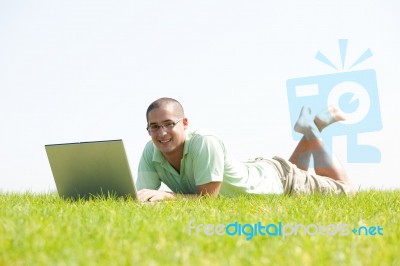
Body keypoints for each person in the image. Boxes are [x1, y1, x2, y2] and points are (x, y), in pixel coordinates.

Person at [136, 97, 355, 202]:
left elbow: (207, 201)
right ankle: (310, 130)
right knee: (293, 169)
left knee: (347, 191)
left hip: (280, 182)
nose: (162, 133)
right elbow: (141, 197)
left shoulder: (204, 142)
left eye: (168, 124)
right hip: (263, 172)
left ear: (184, 123)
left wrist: (166, 197)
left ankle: (314, 131)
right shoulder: (151, 151)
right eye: (154, 127)